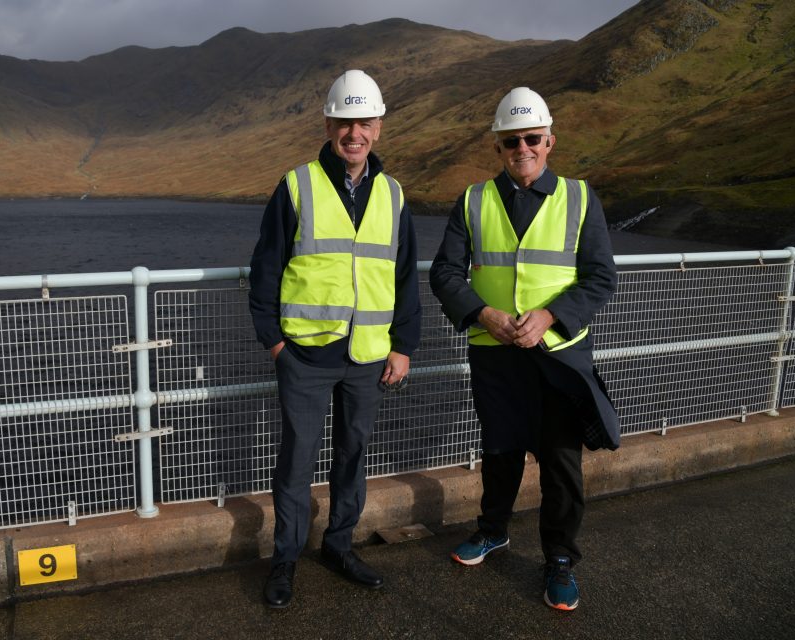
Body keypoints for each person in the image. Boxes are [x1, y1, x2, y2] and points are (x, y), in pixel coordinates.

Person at [429, 86, 619, 612]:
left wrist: (550, 316)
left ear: (550, 141)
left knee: (560, 460)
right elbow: (445, 272)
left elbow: (600, 276)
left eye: (532, 138)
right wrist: (484, 314)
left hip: (559, 353)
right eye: (511, 141)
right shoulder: (472, 200)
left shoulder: (580, 198)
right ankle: (493, 531)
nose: (522, 148)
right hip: (495, 351)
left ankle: (559, 558)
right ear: (498, 146)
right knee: (500, 448)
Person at [248, 69, 421, 608]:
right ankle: (285, 560)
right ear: (328, 124)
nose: (355, 133)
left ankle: (338, 545)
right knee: (297, 460)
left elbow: (405, 275)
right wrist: (275, 342)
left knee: (353, 454)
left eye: (365, 122)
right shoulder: (297, 184)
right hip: (304, 354)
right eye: (345, 122)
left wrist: (403, 345)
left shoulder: (392, 195)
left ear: (379, 128)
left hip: (368, 356)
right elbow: (266, 270)